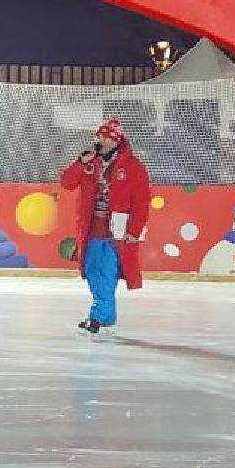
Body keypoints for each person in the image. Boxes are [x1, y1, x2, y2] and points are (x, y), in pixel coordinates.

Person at [59, 116, 152, 334]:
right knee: (91, 271)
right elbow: (67, 183)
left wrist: (134, 231)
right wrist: (80, 163)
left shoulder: (134, 167)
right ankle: (107, 314)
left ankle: (97, 316)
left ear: (115, 141)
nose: (99, 141)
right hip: (91, 229)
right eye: (98, 136)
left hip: (115, 232)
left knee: (107, 273)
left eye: (104, 137)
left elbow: (142, 203)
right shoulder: (90, 163)